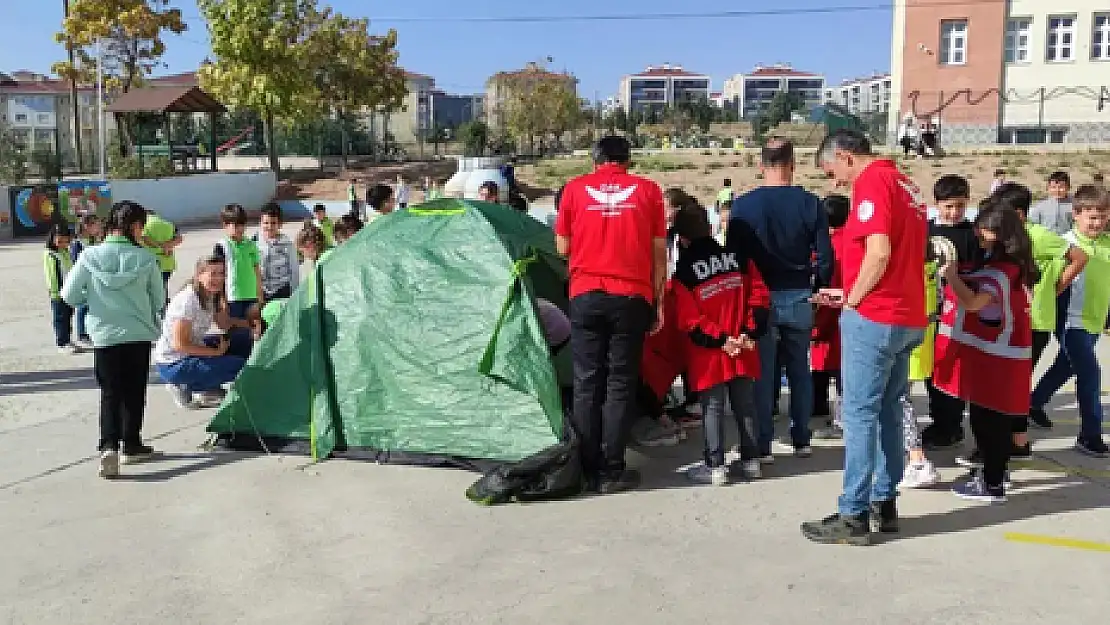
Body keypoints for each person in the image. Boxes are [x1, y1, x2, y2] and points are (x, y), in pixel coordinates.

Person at [802, 129, 928, 545]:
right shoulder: (905, 183)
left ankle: (853, 512)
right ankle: (883, 502)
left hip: (876, 315)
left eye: (832, 171)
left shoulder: (873, 181)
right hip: (906, 314)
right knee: (890, 410)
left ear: (845, 155)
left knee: (858, 416)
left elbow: (879, 252)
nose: (836, 183)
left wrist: (854, 299)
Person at [555, 135, 667, 494]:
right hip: (632, 295)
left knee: (588, 382)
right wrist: (659, 301)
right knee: (620, 383)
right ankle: (612, 470)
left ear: (595, 159)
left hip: (586, 293)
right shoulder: (648, 191)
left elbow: (562, 246)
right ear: (628, 160)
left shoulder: (574, 190)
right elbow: (659, 253)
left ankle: (587, 468)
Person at [729, 138, 833, 462]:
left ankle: (763, 444)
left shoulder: (743, 205)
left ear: (761, 166)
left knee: (764, 372)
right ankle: (800, 437)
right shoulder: (810, 203)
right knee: (800, 369)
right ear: (792, 165)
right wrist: (821, 288)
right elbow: (825, 256)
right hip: (799, 292)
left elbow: (733, 257)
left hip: (759, 297)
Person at [934, 205, 1036, 502]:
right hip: (1007, 353)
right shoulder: (1016, 265)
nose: (980, 237)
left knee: (987, 419)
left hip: (997, 356)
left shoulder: (1001, 273)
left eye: (985, 233)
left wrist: (951, 276)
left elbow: (975, 303)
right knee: (995, 418)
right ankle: (996, 473)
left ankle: (992, 483)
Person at [60, 200, 165, 478]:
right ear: (134, 226)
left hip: (105, 334)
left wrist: (91, 299)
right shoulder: (146, 259)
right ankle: (131, 444)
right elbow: (159, 299)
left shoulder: (89, 256)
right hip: (139, 333)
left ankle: (109, 447)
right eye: (142, 226)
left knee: (110, 392)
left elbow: (69, 295)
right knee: (134, 391)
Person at [671, 203, 768, 485]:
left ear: (682, 239)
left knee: (712, 408)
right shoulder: (739, 259)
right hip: (743, 343)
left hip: (711, 352)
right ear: (711, 227)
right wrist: (749, 332)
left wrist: (721, 340)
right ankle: (751, 461)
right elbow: (760, 296)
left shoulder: (684, 274)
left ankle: (715, 466)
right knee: (745, 405)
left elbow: (690, 320)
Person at [1029, 185, 1110, 457]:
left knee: (1065, 367)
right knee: (1090, 374)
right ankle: (1090, 436)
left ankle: (1034, 403)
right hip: (1071, 323)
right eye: (1092, 217)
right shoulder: (1065, 244)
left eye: (1102, 216)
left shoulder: (1107, 244)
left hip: (1095, 323)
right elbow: (1050, 283)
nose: (1097, 223)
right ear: (1076, 214)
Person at [919, 174, 980, 449]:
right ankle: (939, 421)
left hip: (960, 314)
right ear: (936, 204)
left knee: (953, 371)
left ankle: (950, 425)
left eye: (960, 206)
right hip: (930, 313)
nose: (954, 212)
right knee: (932, 370)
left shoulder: (973, 235)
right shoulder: (926, 231)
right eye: (948, 206)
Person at [155, 255, 254, 409]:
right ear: (199, 275)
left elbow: (225, 324)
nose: (219, 278)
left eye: (222, 273)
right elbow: (180, 345)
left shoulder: (211, 295)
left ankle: (206, 386)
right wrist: (215, 353)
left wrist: (254, 325)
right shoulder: (187, 301)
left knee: (244, 339)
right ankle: (186, 386)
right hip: (174, 362)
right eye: (213, 273)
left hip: (192, 349)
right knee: (239, 366)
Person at [811, 194, 850, 438]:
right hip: (852, 310)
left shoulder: (826, 246)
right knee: (843, 370)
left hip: (831, 309)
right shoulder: (858, 240)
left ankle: (837, 419)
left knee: (826, 364)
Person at [213, 203, 263, 322]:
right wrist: (222, 298)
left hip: (252, 296)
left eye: (242, 224)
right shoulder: (222, 246)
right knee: (237, 331)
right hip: (233, 298)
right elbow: (219, 275)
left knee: (254, 331)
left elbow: (256, 270)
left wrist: (260, 293)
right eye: (235, 225)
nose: (240, 229)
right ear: (225, 225)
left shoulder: (251, 244)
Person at [70, 214, 104, 349]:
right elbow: (76, 262)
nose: (98, 227)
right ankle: (82, 334)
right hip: (85, 279)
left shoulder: (94, 241)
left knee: (93, 306)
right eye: (95, 224)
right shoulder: (77, 243)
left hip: (96, 278)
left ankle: (91, 331)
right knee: (83, 306)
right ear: (86, 226)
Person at [45, 223, 79, 354]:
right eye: (60, 241)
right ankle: (62, 342)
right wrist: (56, 291)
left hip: (68, 290)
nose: (63, 244)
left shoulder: (65, 252)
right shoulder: (50, 254)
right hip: (58, 293)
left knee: (68, 316)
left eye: (66, 241)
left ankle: (68, 340)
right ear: (52, 238)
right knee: (60, 318)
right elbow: (52, 275)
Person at [254, 202, 299, 301]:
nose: (269, 226)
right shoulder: (254, 244)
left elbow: (294, 271)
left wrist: (295, 296)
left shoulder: (288, 245)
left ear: (280, 224)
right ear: (260, 223)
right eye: (266, 223)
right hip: (261, 292)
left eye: (273, 223)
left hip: (282, 291)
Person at [140, 209, 182, 300]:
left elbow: (144, 238)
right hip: (167, 263)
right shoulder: (168, 224)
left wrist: (159, 247)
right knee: (163, 287)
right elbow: (179, 239)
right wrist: (167, 246)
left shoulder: (144, 224)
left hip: (151, 263)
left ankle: (159, 307)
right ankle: (164, 306)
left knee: (152, 290)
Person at [1028, 171, 1074, 235]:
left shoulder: (1074, 205)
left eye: (1061, 187)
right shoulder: (1040, 206)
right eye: (1053, 187)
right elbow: (1033, 224)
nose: (1057, 190)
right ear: (1048, 188)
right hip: (1046, 240)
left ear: (1068, 187)